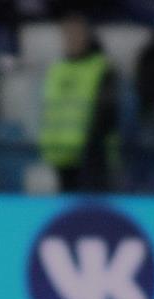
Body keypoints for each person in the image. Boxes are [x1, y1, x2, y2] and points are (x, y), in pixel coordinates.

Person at [39, 12, 118, 193]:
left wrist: (92, 151)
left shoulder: (102, 68)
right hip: (60, 157)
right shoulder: (56, 70)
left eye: (76, 34)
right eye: (67, 34)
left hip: (93, 159)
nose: (71, 39)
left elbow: (106, 114)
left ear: (87, 36)